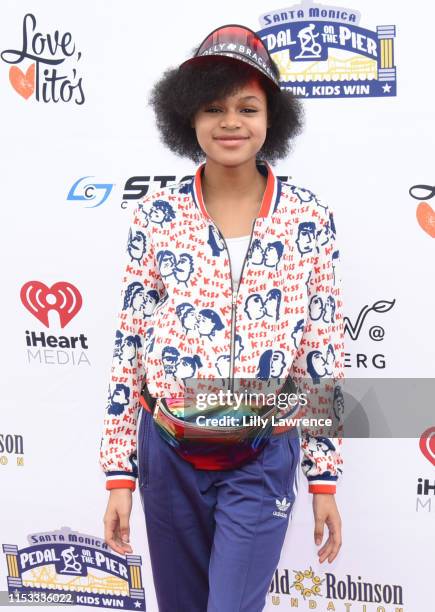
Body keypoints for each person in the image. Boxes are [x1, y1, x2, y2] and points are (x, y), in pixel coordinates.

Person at [99, 24, 345, 612]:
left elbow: (321, 352)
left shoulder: (308, 217)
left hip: (264, 451)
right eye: (213, 107)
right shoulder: (157, 216)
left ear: (272, 119)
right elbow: (130, 342)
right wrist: (119, 475)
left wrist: (325, 477)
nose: (230, 121)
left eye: (247, 107)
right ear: (187, 117)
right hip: (168, 450)